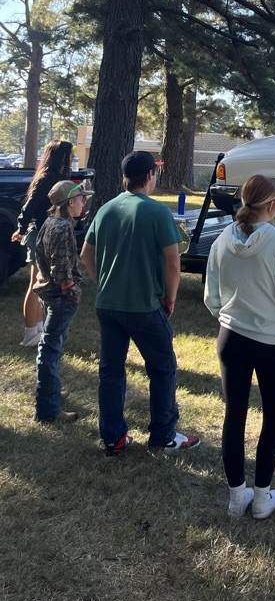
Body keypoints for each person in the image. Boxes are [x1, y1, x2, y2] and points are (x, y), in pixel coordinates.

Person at [80, 150, 200, 456]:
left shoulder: (105, 209)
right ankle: (163, 436)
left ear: (125, 177)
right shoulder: (157, 212)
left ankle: (113, 438)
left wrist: (104, 281)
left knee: (111, 371)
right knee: (162, 369)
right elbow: (173, 262)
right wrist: (170, 298)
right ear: (149, 176)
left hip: (108, 304)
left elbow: (86, 254)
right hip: (145, 306)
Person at [204, 175, 275, 519]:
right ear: (273, 205)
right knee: (272, 415)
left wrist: (229, 317)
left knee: (235, 414)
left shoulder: (221, 240)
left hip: (231, 337)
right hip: (269, 340)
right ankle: (261, 497)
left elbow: (211, 296)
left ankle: (236, 497)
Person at [33, 180, 93, 423]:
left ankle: (52, 389)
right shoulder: (61, 227)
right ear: (69, 202)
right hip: (59, 295)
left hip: (48, 292)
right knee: (50, 347)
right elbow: (60, 267)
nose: (83, 202)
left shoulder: (52, 223)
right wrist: (71, 290)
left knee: (54, 343)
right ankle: (48, 409)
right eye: (80, 199)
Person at [13, 139, 74, 347]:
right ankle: (30, 333)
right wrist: (21, 229)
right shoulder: (47, 178)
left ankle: (39, 328)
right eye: (70, 155)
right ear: (61, 157)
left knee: (43, 282)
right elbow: (29, 206)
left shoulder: (58, 177)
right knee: (35, 283)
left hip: (49, 234)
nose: (73, 159)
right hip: (39, 233)